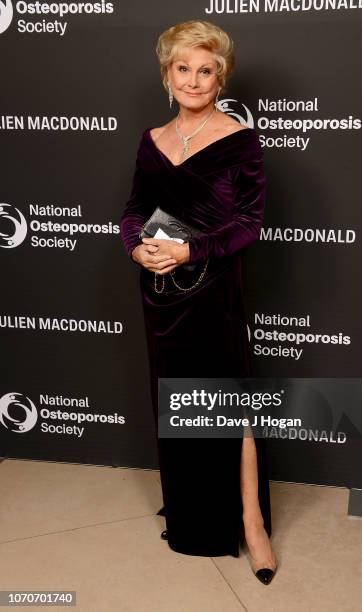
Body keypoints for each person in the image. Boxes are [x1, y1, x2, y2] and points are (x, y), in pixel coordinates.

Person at [120, 19, 278, 585]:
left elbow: (249, 226)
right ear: (167, 74)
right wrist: (138, 250)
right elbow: (134, 210)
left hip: (215, 292)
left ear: (221, 76)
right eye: (182, 68)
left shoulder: (239, 139)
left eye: (205, 69)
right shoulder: (152, 140)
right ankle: (191, 517)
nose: (193, 79)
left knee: (228, 406)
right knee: (177, 407)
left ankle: (252, 523)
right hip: (161, 296)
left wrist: (190, 252)